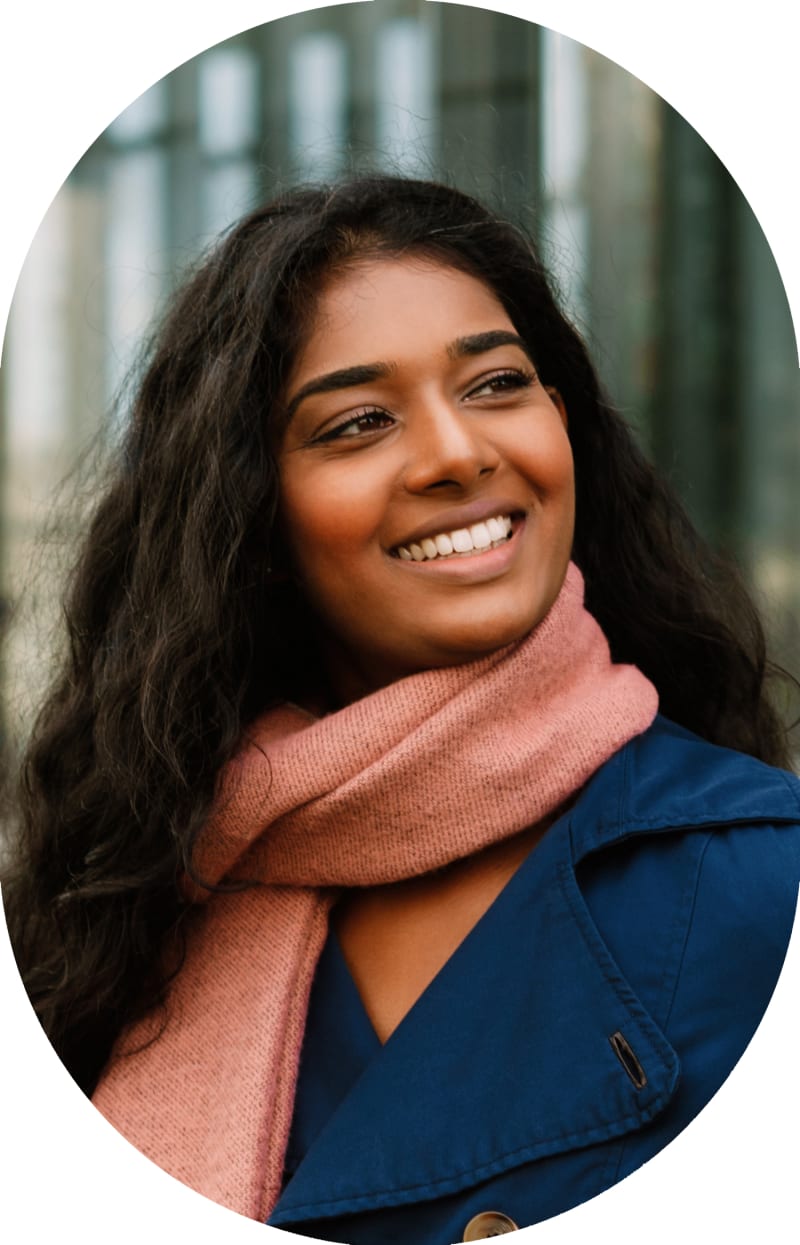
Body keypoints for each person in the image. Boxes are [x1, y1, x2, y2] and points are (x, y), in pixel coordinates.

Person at [3, 175, 799, 1243]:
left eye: (497, 384)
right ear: (250, 513)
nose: (458, 453)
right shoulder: (130, 901)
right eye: (359, 421)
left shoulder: (761, 877)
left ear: (563, 425)